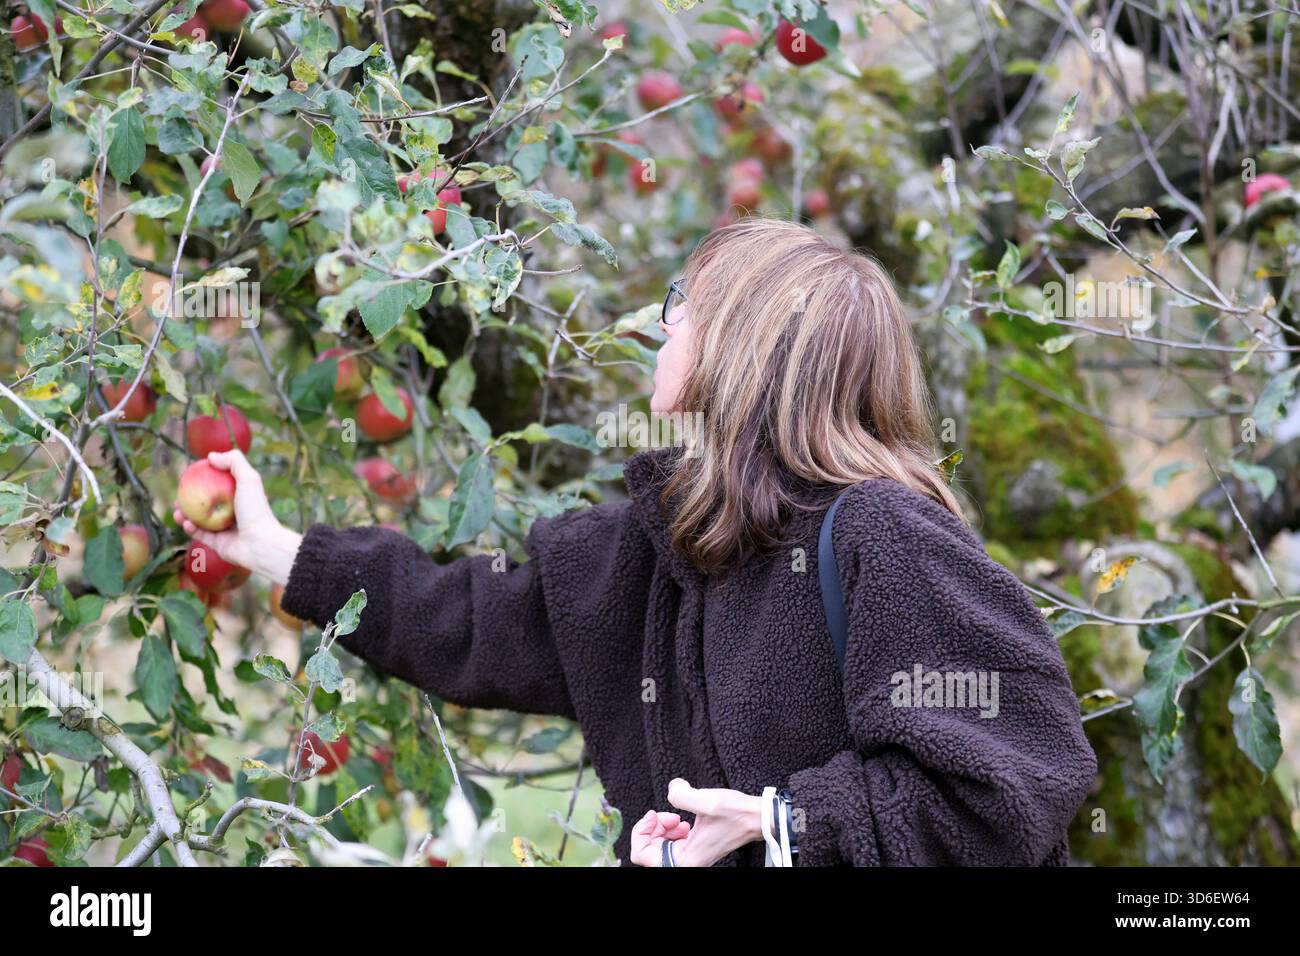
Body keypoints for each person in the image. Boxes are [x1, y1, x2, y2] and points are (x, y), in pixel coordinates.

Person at [175, 217, 1097, 867]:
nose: (662, 325)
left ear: (744, 341)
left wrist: (784, 824)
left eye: (682, 304)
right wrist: (277, 552)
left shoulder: (883, 537)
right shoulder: (669, 545)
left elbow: (1013, 785)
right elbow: (469, 620)